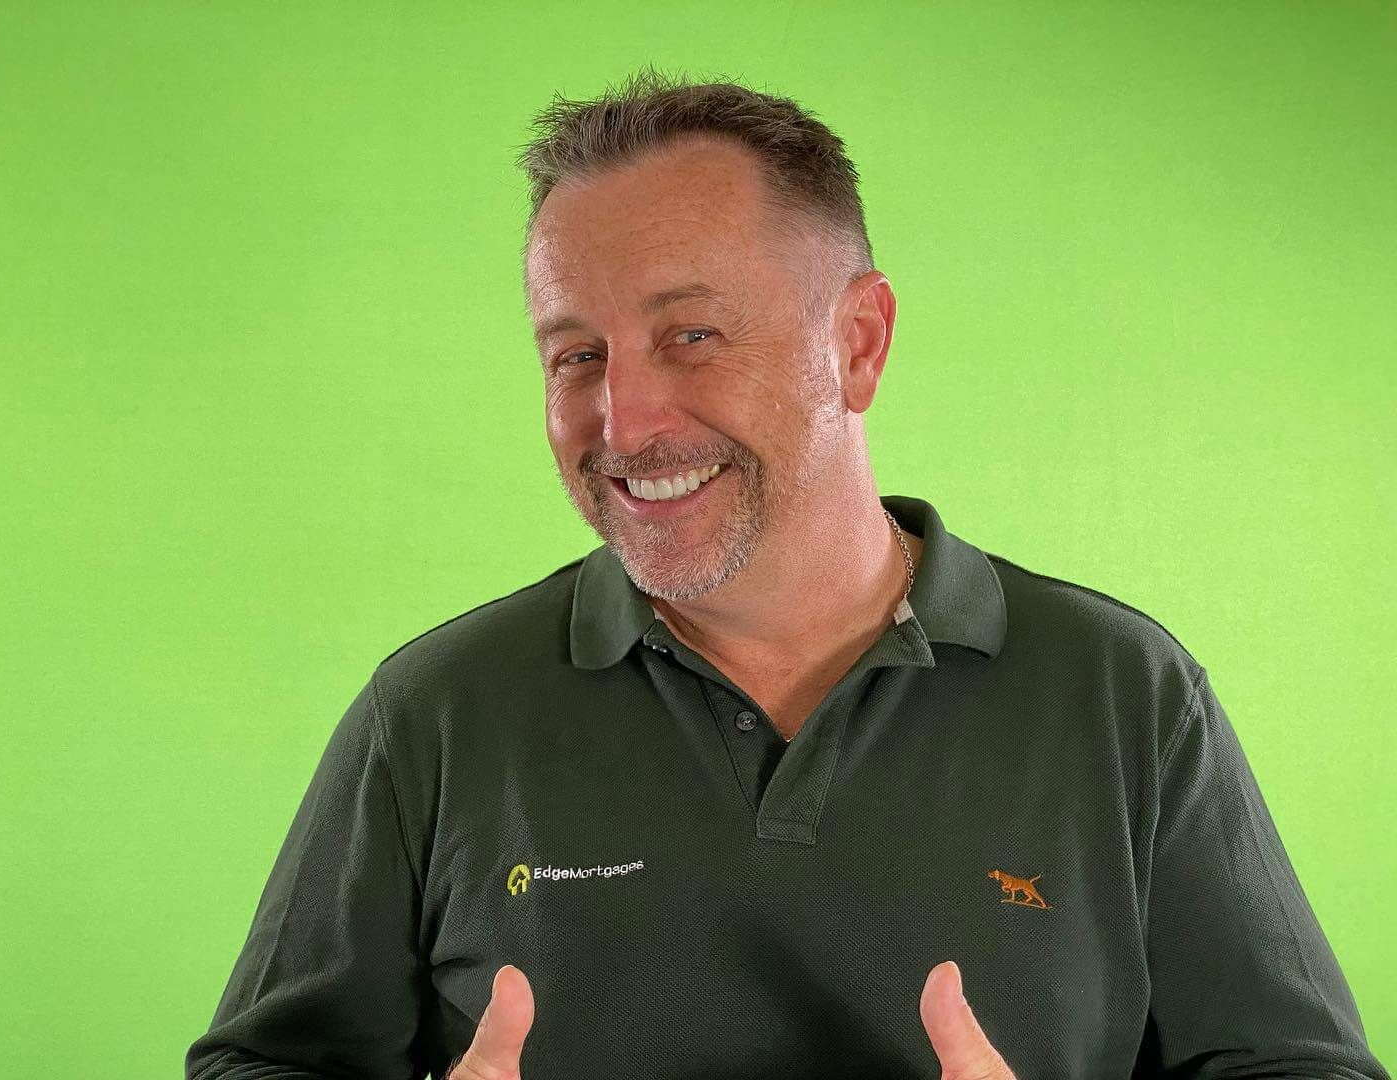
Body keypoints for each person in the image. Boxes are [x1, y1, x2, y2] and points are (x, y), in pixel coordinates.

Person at [186, 68, 1389, 1080]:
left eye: (692, 335)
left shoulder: (1123, 693)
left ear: (858, 344)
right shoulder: (437, 711)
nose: (623, 420)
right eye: (577, 355)